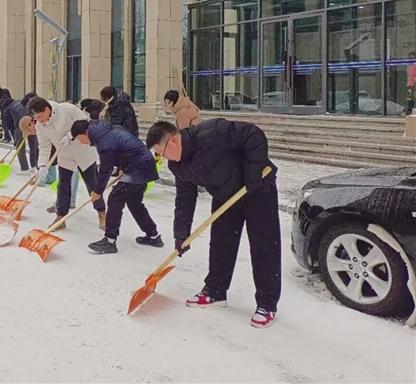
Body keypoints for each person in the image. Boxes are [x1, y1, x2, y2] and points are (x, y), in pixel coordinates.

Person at [146, 119, 280, 329]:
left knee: (264, 246)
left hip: (257, 188)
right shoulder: (177, 165)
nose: (162, 158)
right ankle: (216, 291)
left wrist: (253, 173)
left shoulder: (212, 133)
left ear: (172, 142)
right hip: (225, 195)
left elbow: (253, 134)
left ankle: (267, 304)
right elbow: (184, 199)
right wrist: (181, 235)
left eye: (161, 152)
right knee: (221, 243)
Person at [71, 120, 163, 254]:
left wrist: (97, 191)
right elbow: (122, 149)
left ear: (86, 132)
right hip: (142, 164)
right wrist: (123, 168)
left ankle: (109, 240)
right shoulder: (105, 132)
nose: (81, 142)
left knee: (115, 198)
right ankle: (153, 235)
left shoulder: (104, 141)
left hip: (138, 167)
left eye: (80, 139)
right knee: (134, 202)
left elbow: (105, 169)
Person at [28, 97, 105, 230]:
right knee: (63, 186)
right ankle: (61, 217)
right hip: (64, 156)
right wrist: (42, 166)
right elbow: (44, 147)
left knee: (92, 185)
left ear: (47, 109)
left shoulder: (66, 109)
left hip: (83, 151)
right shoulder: (40, 126)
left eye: (40, 116)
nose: (39, 120)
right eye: (36, 117)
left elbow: (85, 122)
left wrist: (71, 135)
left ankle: (102, 213)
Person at [3, 97, 34, 173]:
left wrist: (15, 140)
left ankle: (24, 168)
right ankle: (34, 166)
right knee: (33, 146)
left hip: (20, 126)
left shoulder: (8, 109)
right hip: (31, 123)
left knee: (20, 148)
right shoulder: (20, 102)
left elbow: (10, 126)